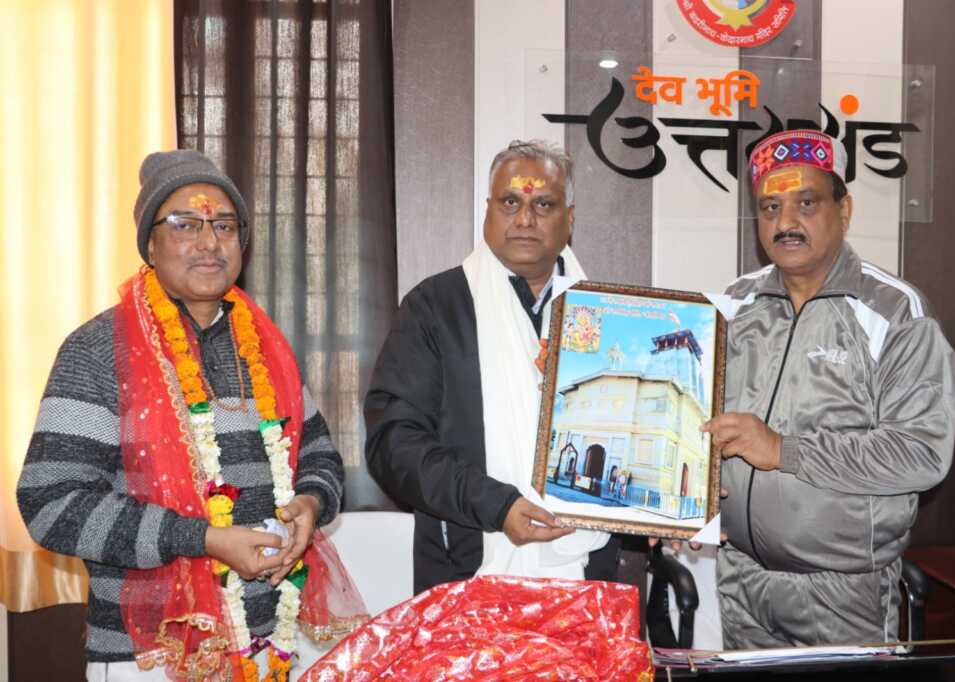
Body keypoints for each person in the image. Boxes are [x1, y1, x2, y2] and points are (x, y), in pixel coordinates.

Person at [17, 150, 363, 681]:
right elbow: (52, 505)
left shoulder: (267, 348)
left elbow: (319, 455)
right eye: (185, 224)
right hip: (149, 654)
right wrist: (203, 539)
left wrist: (311, 504)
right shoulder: (97, 351)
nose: (209, 242)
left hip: (271, 643)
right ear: (150, 245)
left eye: (224, 225)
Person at [700, 129, 955, 648]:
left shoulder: (894, 312)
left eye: (807, 203)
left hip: (843, 596)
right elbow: (694, 418)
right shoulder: (733, 305)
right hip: (739, 580)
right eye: (770, 207)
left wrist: (783, 450)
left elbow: (922, 453)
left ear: (844, 210)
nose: (785, 223)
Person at [364, 140, 617, 593]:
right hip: (467, 573)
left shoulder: (611, 317)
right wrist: (495, 505)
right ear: (488, 211)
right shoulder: (435, 308)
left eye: (544, 204)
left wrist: (663, 516)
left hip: (587, 577)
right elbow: (393, 444)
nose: (525, 219)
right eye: (510, 203)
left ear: (570, 218)